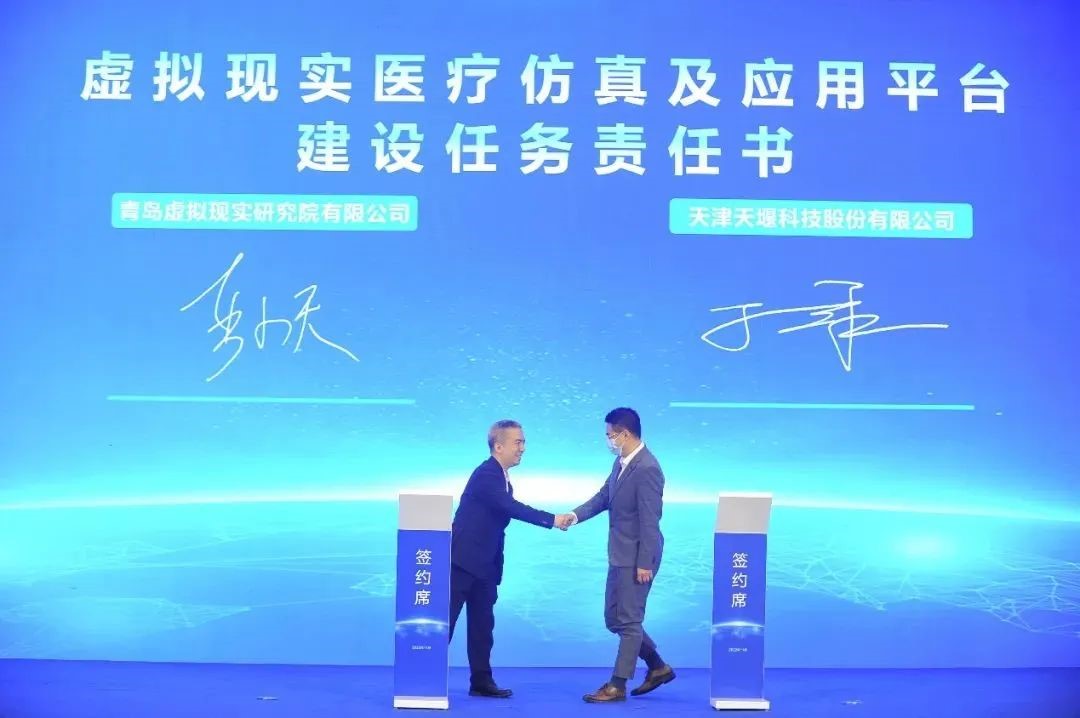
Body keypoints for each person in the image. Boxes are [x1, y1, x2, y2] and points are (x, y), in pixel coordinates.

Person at [450, 419, 573, 698]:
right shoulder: (486, 474)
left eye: (523, 442)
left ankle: (481, 681)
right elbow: (510, 507)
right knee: (445, 624)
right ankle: (422, 680)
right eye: (518, 442)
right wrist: (552, 519)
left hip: (485, 566)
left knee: (483, 627)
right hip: (463, 563)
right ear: (498, 446)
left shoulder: (501, 476)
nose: (523, 448)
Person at [562, 407, 675, 703]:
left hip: (637, 557)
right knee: (614, 619)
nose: (608, 440)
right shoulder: (621, 462)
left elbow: (650, 520)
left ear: (624, 434)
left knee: (629, 621)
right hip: (619, 553)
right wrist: (575, 515)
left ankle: (617, 685)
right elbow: (604, 497)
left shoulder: (648, 468)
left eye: (610, 435)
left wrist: (644, 563)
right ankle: (658, 667)